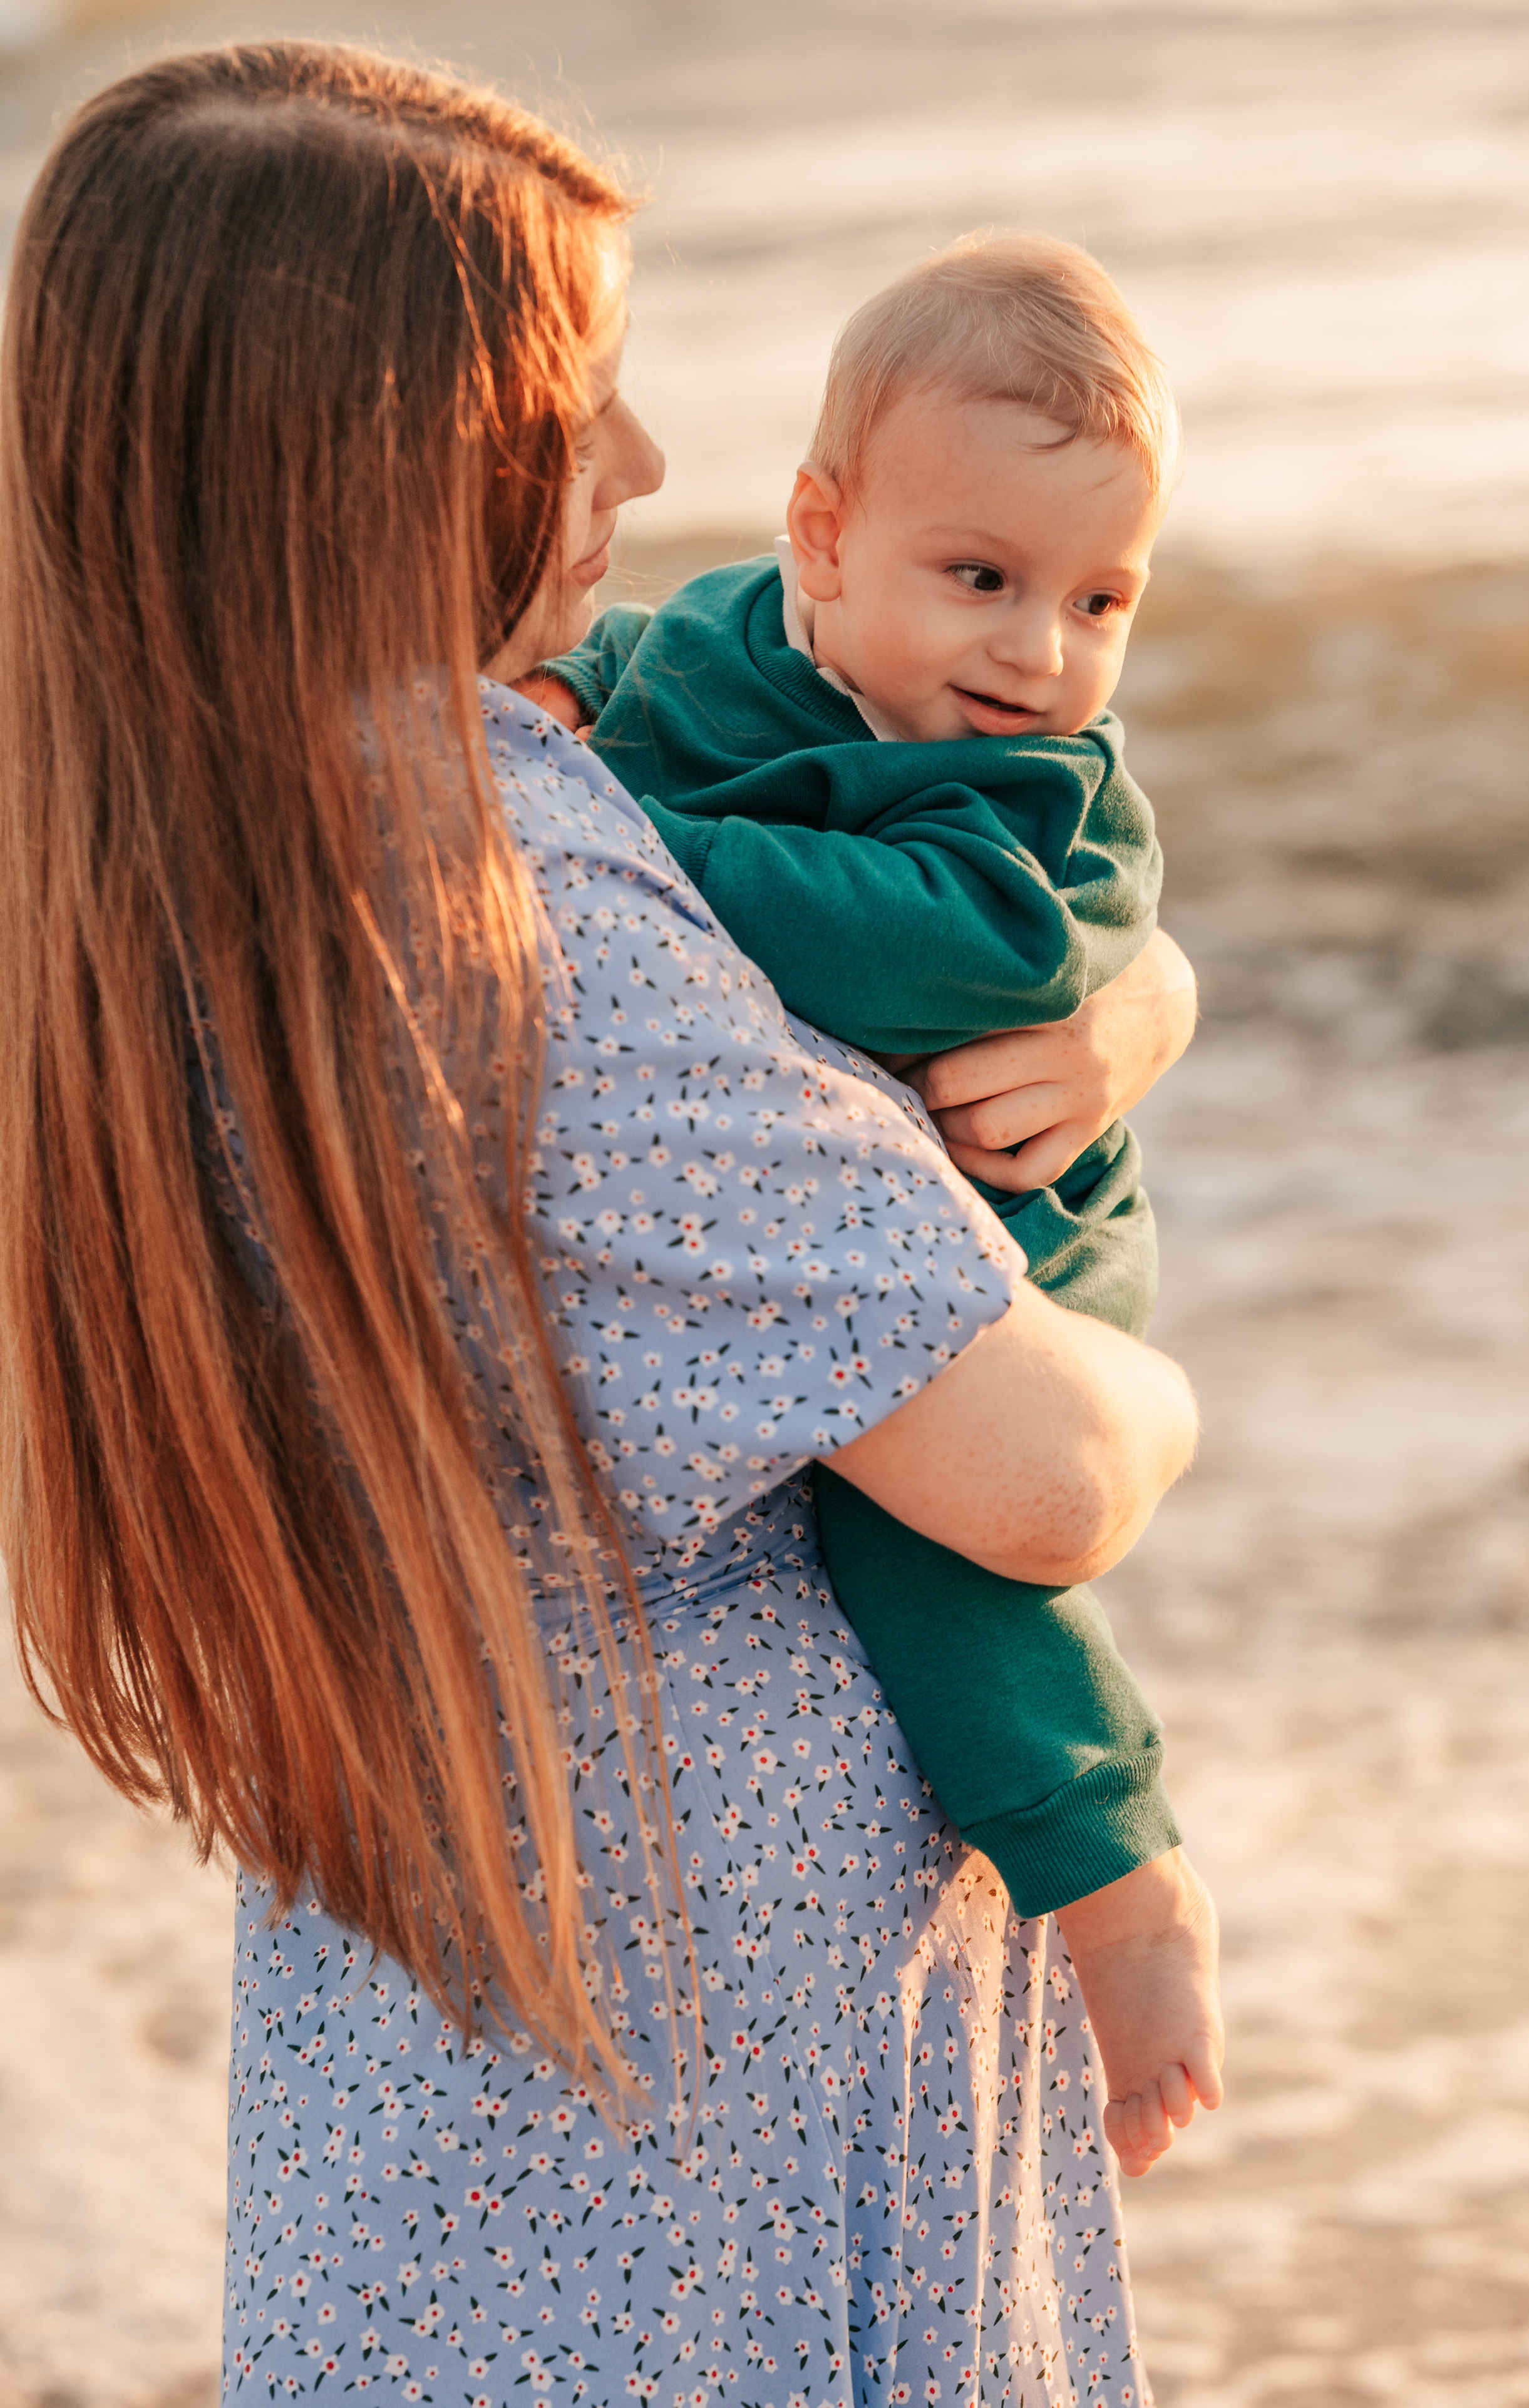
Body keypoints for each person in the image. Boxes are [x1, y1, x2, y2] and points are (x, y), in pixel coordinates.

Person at [0, 43, 1201, 2408]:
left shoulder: (157, 859)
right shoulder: (508, 913)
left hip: (442, 2072)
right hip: (695, 2125)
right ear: (391, 451)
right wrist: (1158, 1378)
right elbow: (1040, 1471)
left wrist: (1130, 990)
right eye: (584, 398)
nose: (648, 470)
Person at [527, 233, 1223, 2151]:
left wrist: (628, 837)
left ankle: (1113, 1863)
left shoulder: (1037, 793)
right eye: (982, 578)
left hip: (1023, 1232)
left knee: (936, 1554)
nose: (1038, 652)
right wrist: (579, 740)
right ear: (820, 540)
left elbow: (965, 952)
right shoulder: (716, 655)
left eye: (1103, 599)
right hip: (872, 1222)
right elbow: (593, 685)